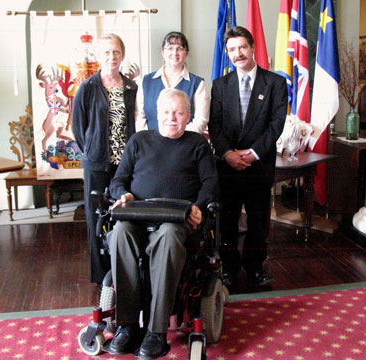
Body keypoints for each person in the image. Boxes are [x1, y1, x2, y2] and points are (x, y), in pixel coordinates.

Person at [103, 89, 219, 359]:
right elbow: (118, 180)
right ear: (157, 115)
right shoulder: (139, 141)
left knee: (167, 235)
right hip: (139, 214)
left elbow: (211, 183)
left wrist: (199, 208)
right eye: (166, 112)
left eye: (179, 112)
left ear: (188, 115)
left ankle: (156, 331)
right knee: (119, 232)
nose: (172, 118)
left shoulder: (198, 144)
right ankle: (127, 326)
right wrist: (124, 194)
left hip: (177, 218)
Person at [208, 26, 287, 286]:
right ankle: (229, 268)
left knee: (257, 221)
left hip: (259, 164)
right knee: (227, 220)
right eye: (231, 49)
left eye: (242, 47)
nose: (237, 54)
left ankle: (255, 268)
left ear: (252, 47)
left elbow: (276, 124)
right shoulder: (220, 86)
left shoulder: (274, 82)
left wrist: (253, 154)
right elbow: (215, 126)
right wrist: (228, 154)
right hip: (228, 165)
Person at [72, 34, 138, 286]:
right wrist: (93, 149)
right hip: (97, 165)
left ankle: (126, 272)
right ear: (100, 56)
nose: (112, 57)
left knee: (125, 214)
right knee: (97, 218)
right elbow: (79, 129)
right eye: (107, 52)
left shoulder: (131, 87)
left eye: (116, 52)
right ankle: (102, 277)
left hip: (126, 165)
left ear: (122, 55)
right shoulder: (87, 88)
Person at [135, 31, 209, 134]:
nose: (174, 53)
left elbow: (200, 121)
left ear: (186, 53)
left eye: (180, 48)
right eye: (170, 48)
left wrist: (176, 138)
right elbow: (139, 116)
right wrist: (149, 140)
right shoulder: (146, 81)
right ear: (163, 52)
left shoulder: (197, 84)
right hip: (151, 146)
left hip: (185, 145)